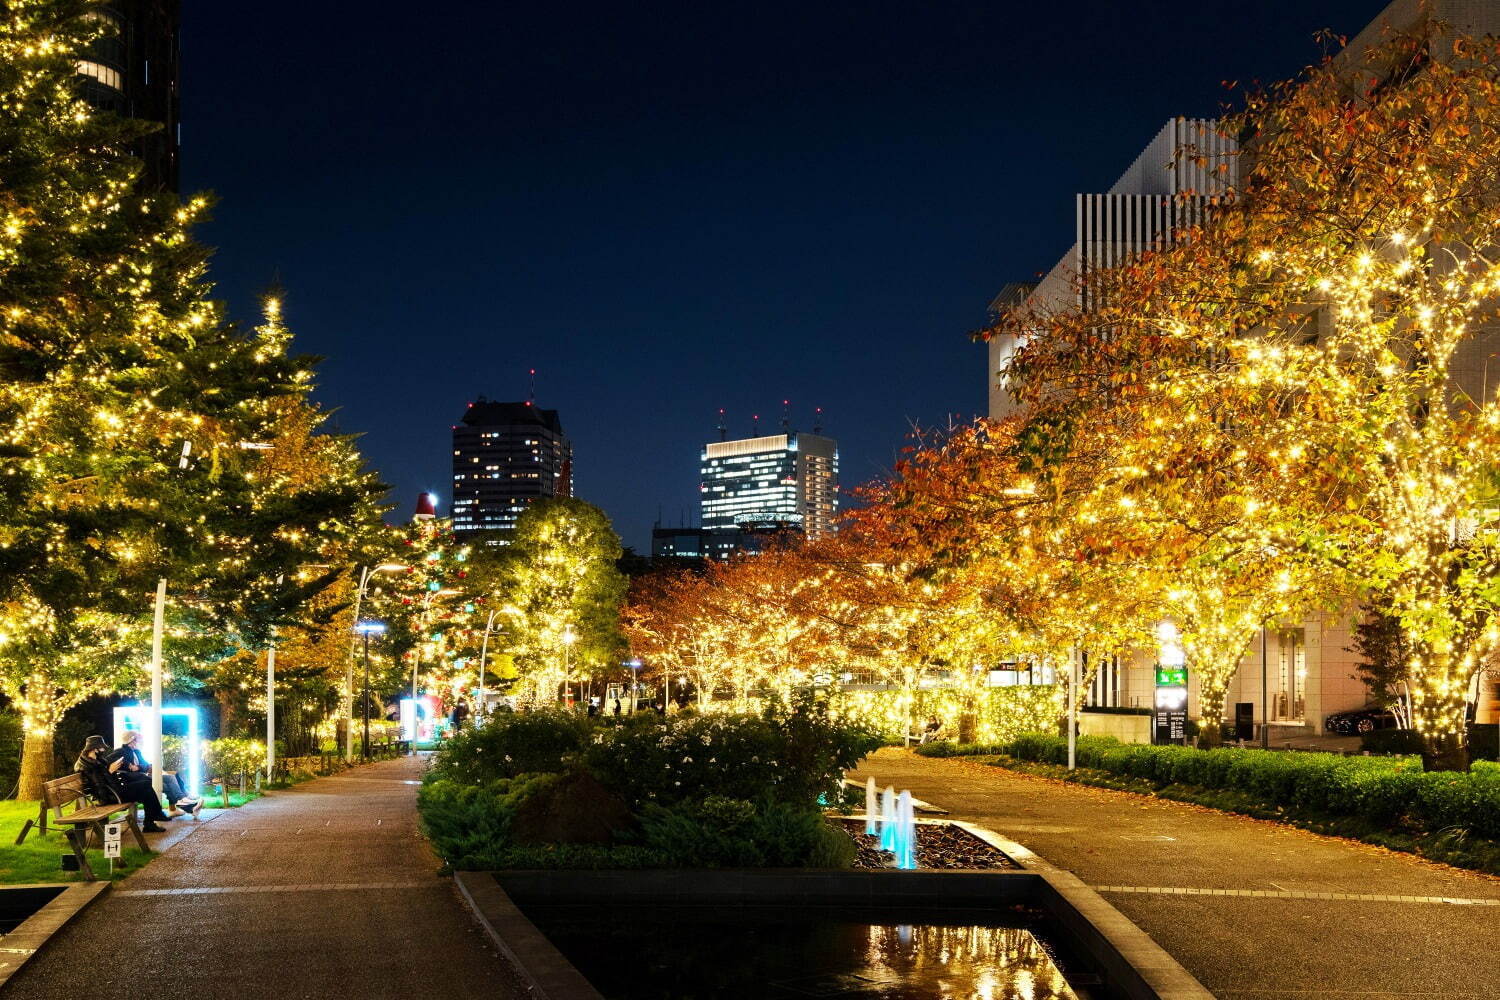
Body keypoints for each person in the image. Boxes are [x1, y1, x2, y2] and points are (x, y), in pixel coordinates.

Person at [75, 736, 171, 832]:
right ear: (95, 749)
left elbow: (103, 778)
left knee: (146, 785)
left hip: (115, 789)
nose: (104, 749)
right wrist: (110, 771)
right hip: (111, 796)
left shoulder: (96, 760)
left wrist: (112, 769)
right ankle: (151, 821)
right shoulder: (87, 765)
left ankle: (151, 821)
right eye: (102, 747)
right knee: (145, 787)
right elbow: (100, 785)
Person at [111, 731, 202, 819]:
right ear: (132, 740)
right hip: (136, 782)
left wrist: (138, 767)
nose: (141, 742)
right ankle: (185, 803)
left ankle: (183, 801)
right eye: (139, 740)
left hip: (143, 778)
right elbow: (110, 760)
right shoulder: (121, 751)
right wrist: (127, 765)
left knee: (171, 778)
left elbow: (146, 765)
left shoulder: (137, 752)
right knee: (168, 785)